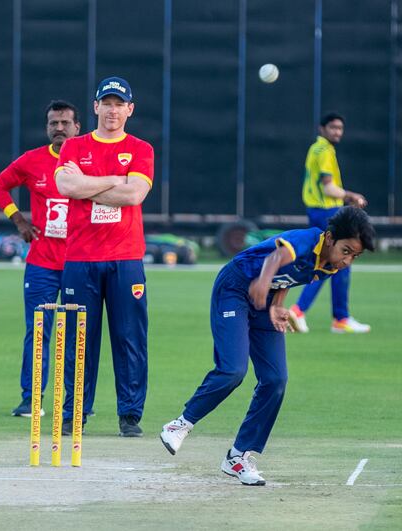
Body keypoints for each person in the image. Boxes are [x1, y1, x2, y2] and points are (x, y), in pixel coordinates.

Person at [160, 206, 375, 485]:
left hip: (265, 299)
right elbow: (277, 258)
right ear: (331, 238)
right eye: (346, 250)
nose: (347, 261)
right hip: (236, 288)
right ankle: (180, 424)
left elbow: (290, 276)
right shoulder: (309, 240)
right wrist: (262, 282)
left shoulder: (329, 266)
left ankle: (237, 457)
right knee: (233, 370)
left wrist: (276, 305)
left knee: (275, 379)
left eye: (354, 256)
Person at [54, 77, 154, 437]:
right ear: (96, 107)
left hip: (125, 257)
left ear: (130, 109)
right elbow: (67, 187)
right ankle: (74, 411)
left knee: (129, 337)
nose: (113, 111)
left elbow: (134, 196)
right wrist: (116, 179)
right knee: (79, 338)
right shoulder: (73, 147)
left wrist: (91, 185)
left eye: (119, 104)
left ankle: (130, 415)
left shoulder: (141, 149)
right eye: (106, 103)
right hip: (80, 258)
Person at [0, 100, 81, 416]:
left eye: (65, 123)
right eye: (53, 123)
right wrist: (18, 220)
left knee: (78, 334)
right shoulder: (33, 161)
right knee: (39, 330)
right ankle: (31, 399)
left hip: (79, 263)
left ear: (77, 127)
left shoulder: (88, 160)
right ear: (47, 128)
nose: (59, 128)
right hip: (41, 262)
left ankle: (76, 403)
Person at [288, 113, 370, 334]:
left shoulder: (316, 148)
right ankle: (306, 312)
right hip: (327, 211)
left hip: (318, 211)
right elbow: (328, 188)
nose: (337, 132)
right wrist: (351, 196)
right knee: (338, 260)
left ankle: (337, 317)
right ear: (321, 128)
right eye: (333, 127)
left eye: (340, 128)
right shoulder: (324, 151)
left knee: (335, 262)